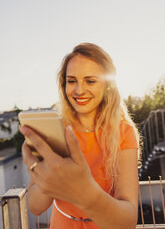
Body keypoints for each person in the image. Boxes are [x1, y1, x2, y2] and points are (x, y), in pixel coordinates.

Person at [20, 43, 141, 229]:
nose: (78, 90)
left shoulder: (124, 132)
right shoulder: (55, 131)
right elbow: (35, 207)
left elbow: (129, 221)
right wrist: (50, 177)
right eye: (71, 81)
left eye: (90, 81)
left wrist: (84, 191)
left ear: (108, 85)